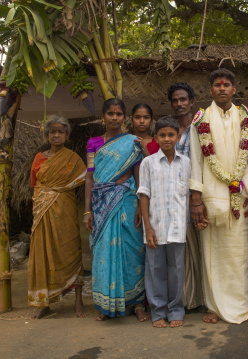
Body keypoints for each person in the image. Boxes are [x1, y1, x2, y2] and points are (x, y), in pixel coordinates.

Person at [190, 68, 248, 324]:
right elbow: (196, 159)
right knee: (213, 253)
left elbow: (247, 160)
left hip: (239, 196)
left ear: (234, 89)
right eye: (217, 84)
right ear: (210, 90)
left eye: (226, 84)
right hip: (210, 196)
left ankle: (243, 306)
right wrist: (196, 199)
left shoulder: (245, 116)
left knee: (238, 254)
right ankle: (213, 307)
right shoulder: (201, 117)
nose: (221, 88)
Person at [83, 98, 150, 322]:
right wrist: (87, 210)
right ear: (103, 116)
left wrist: (142, 205)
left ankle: (138, 303)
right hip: (101, 204)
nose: (114, 118)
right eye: (110, 114)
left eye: (119, 114)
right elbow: (90, 177)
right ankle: (105, 305)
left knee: (132, 251)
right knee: (103, 253)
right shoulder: (93, 143)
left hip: (127, 201)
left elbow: (139, 175)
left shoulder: (133, 142)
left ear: (124, 117)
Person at [28, 115, 87, 319]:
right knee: (44, 252)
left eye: (61, 131)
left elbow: (83, 178)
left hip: (65, 211)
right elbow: (35, 186)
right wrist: (42, 203)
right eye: (52, 131)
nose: (56, 135)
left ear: (66, 135)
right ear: (47, 134)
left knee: (71, 250)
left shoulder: (73, 158)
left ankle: (78, 301)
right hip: (42, 212)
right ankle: (45, 303)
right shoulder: (39, 158)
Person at [138, 116, 190, 328]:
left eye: (171, 135)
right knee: (155, 270)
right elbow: (144, 195)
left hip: (178, 227)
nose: (167, 139)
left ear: (178, 137)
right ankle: (158, 311)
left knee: (177, 270)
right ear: (156, 138)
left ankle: (176, 309)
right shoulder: (148, 163)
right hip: (156, 227)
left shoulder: (185, 163)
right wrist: (147, 228)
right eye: (162, 135)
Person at [167, 82, 205, 311]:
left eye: (183, 99)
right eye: (175, 100)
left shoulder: (202, 130)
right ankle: (183, 300)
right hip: (173, 200)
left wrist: (196, 198)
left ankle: (200, 300)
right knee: (179, 252)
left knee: (198, 249)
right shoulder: (169, 133)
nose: (179, 104)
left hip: (197, 198)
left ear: (191, 102)